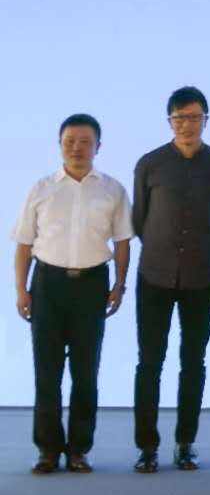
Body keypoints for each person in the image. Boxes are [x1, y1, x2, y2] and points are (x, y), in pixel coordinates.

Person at [12, 114, 132, 474]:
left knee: (85, 372)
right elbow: (24, 243)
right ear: (60, 144)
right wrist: (21, 290)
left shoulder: (112, 190)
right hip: (48, 285)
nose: (77, 148)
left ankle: (79, 449)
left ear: (98, 146)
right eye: (69, 141)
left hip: (92, 286)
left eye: (85, 141)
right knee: (46, 372)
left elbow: (122, 241)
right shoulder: (41, 188)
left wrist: (119, 285)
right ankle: (47, 450)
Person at [132, 84, 210, 472]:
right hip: (154, 275)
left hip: (201, 277)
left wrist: (200, 250)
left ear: (206, 120)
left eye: (194, 117)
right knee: (149, 362)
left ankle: (185, 442)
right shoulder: (150, 163)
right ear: (169, 121)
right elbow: (140, 220)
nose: (187, 125)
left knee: (193, 361)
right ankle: (147, 447)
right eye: (179, 118)